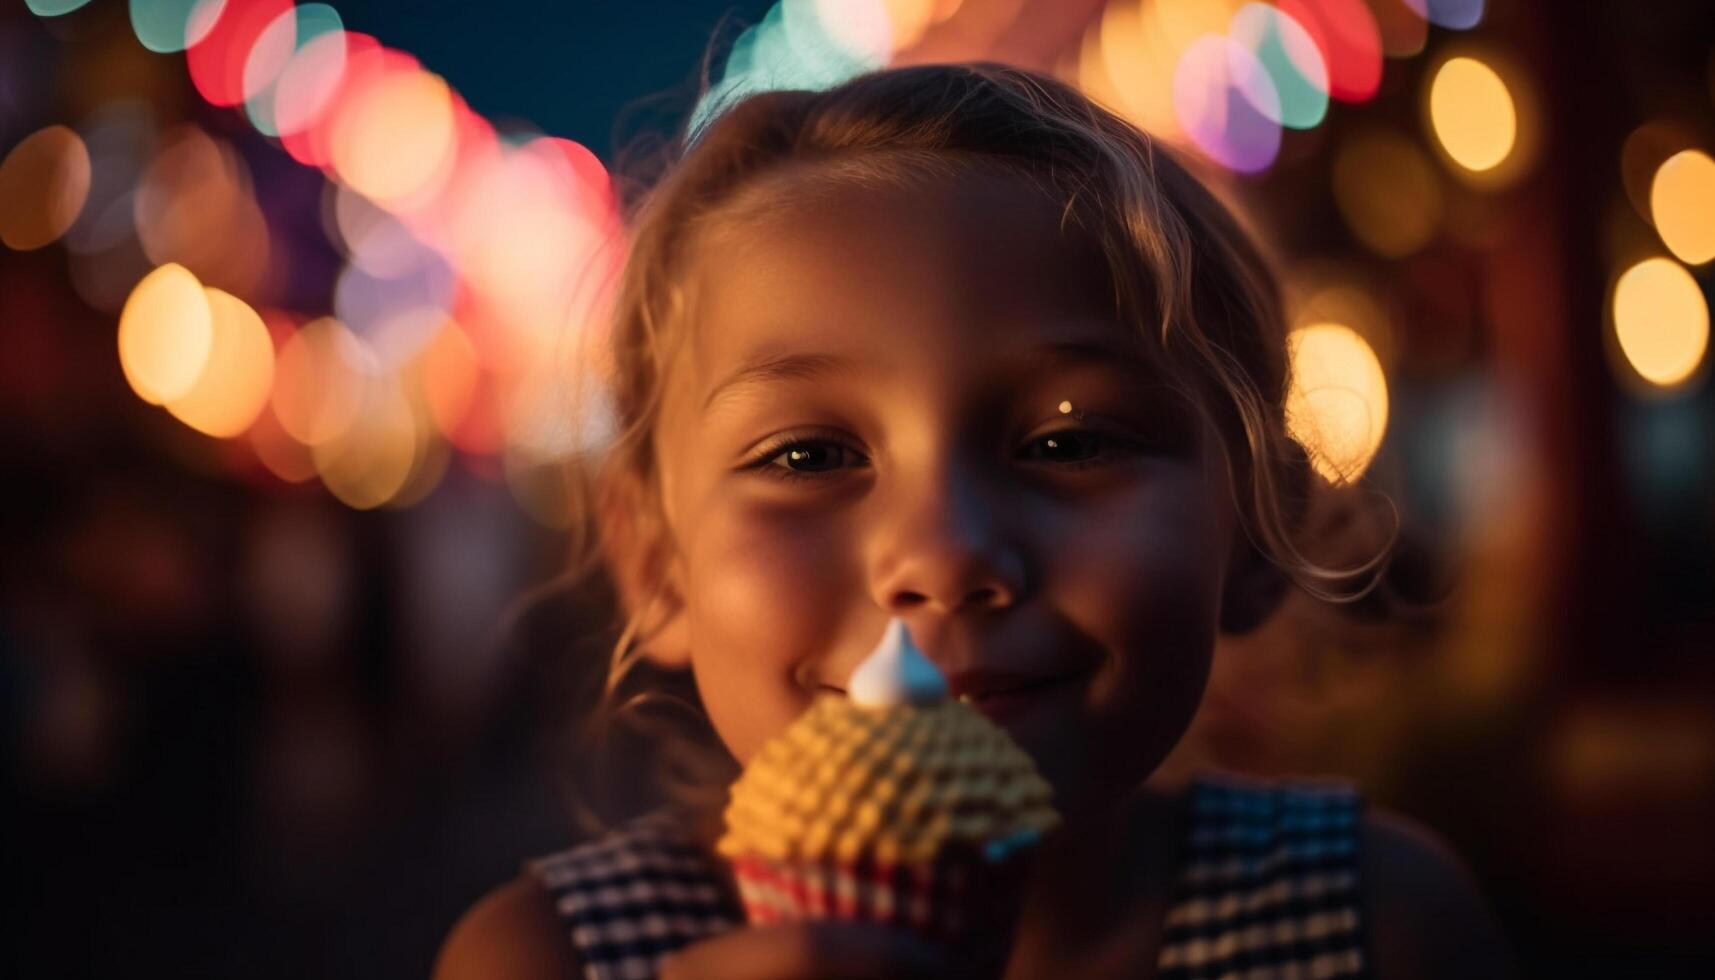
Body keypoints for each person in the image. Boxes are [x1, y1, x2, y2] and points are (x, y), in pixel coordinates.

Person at [435, 62, 1513, 979]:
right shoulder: (548, 957)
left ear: (1257, 524)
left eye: (1067, 441)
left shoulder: (1378, 926)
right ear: (655, 563)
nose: (943, 553)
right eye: (808, 455)